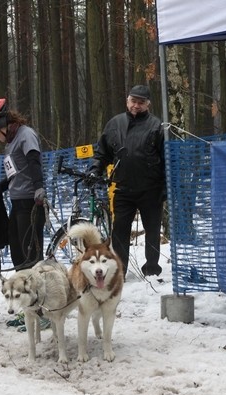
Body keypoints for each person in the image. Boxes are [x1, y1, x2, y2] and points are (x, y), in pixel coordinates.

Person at [87, 85, 166, 277]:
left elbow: (167, 160)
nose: (136, 106)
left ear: (148, 104)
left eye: (141, 102)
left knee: (153, 229)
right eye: (133, 101)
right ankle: (120, 269)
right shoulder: (114, 124)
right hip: (123, 188)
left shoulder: (157, 126)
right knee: (119, 230)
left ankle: (152, 269)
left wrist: (165, 186)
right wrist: (94, 169)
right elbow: (102, 153)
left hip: (151, 188)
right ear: (127, 100)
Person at [0, 98, 46, 270]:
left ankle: (37, 293)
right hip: (17, 203)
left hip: (30, 201)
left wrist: (39, 187)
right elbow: (15, 173)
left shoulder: (25, 135)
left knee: (30, 256)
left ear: (0, 125)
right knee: (17, 252)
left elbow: (34, 161)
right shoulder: (10, 143)